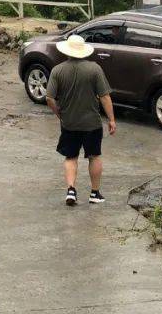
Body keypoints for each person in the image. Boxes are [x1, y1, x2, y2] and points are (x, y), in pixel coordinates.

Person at [46, 34, 117, 206]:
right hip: (91, 122)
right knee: (94, 156)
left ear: (67, 51)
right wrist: (112, 119)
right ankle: (94, 193)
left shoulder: (58, 70)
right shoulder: (94, 69)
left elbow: (49, 98)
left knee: (71, 157)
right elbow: (104, 96)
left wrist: (59, 114)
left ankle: (71, 190)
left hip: (69, 122)